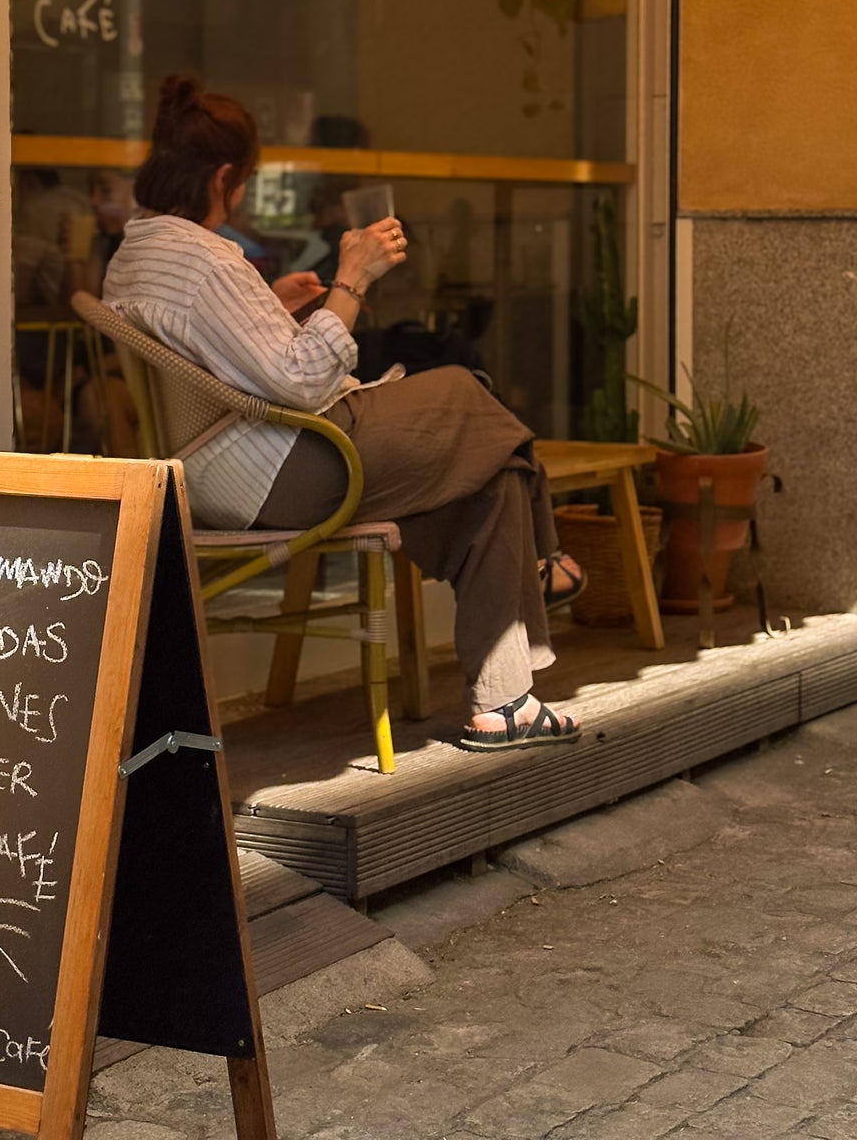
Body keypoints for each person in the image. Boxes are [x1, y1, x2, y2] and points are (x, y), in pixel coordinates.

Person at [102, 74, 584, 751]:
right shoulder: (205, 260)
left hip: (222, 464)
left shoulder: (142, 249)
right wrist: (352, 279)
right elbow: (300, 379)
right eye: (245, 183)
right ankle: (546, 558)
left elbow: (209, 349)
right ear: (223, 178)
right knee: (466, 388)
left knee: (493, 474)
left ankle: (506, 704)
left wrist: (269, 305)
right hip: (279, 466)